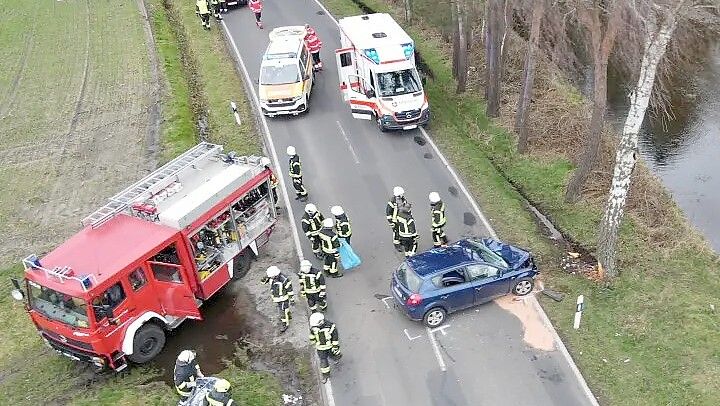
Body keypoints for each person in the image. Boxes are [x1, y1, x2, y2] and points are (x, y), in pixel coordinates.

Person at [309, 312, 341, 384]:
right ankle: (325, 375)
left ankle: (336, 358)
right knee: (323, 361)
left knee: (334, 355)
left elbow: (335, 337)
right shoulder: (314, 328)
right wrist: (313, 343)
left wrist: (335, 346)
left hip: (330, 347)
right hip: (320, 348)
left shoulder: (330, 326)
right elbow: (312, 336)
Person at [261, 266, 295, 332]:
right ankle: (288, 316)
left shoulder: (284, 279)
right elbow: (262, 282)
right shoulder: (271, 278)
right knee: (285, 309)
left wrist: (292, 299)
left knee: (282, 311)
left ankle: (285, 324)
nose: (270, 277)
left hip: (283, 298)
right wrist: (266, 277)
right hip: (277, 298)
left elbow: (290, 290)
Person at [386, 186, 410, 252]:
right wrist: (391, 222)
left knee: (402, 230)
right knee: (396, 232)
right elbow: (388, 213)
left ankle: (401, 241)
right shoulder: (392, 202)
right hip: (395, 220)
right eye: (401, 193)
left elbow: (405, 207)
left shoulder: (403, 199)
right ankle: (396, 244)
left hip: (401, 219)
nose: (403, 194)